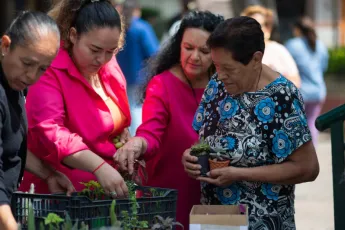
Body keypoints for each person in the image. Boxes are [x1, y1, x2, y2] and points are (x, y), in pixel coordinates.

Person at [182, 16, 319, 230]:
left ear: (256, 59)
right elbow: (204, 141)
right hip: (216, 219)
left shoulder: (281, 97)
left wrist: (239, 174)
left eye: (229, 68)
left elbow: (308, 168)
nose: (221, 75)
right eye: (216, 66)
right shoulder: (217, 84)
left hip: (263, 221)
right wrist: (190, 156)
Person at [114, 11, 224, 229]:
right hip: (168, 194)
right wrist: (139, 142)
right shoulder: (162, 84)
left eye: (204, 51)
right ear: (178, 46)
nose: (194, 56)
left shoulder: (225, 84)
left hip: (218, 191)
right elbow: (151, 132)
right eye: (188, 48)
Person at [18, 0, 132, 198]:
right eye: (95, 50)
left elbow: (116, 113)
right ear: (73, 35)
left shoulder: (107, 62)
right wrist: (99, 167)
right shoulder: (49, 67)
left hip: (105, 192)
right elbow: (50, 130)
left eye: (111, 51)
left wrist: (123, 133)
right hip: (62, 192)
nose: (102, 59)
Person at [0, 11, 75, 230]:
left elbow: (9, 147)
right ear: (5, 46)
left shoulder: (14, 83)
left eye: (42, 68)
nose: (32, 76)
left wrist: (48, 174)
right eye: (27, 63)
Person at [115, 0, 160, 135]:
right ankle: (138, 139)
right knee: (138, 109)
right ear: (137, 9)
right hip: (139, 77)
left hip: (121, 76)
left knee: (126, 109)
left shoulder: (119, 27)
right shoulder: (142, 27)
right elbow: (154, 53)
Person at [285, 17, 329, 146]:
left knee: (297, 126)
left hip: (300, 92)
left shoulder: (292, 44)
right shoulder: (320, 45)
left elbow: (286, 67)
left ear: (297, 29)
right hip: (319, 91)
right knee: (312, 123)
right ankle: (312, 155)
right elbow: (324, 67)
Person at [241, 5, 301, 88]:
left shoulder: (279, 50)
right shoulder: (239, 52)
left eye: (260, 25)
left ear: (268, 28)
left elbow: (296, 82)